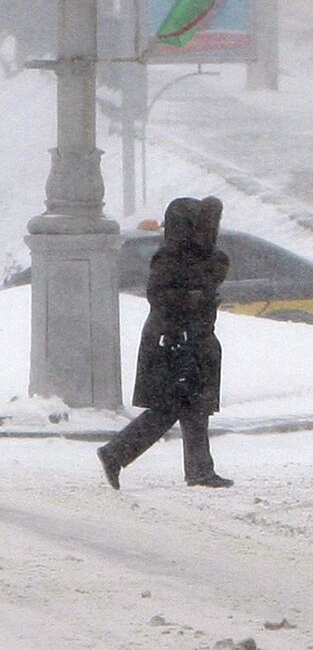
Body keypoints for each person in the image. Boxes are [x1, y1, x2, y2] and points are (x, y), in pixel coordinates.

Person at [97, 196, 234, 489]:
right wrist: (190, 301)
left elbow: (212, 274)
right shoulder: (170, 257)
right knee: (172, 408)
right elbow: (160, 297)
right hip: (174, 342)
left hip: (192, 340)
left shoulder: (199, 256)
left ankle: (198, 470)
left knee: (193, 407)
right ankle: (116, 453)